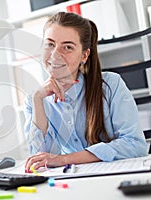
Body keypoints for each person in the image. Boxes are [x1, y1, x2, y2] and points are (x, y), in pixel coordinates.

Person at [24, 12, 149, 172]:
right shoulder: (35, 99)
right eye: (50, 44)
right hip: (74, 182)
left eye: (67, 47)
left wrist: (65, 159)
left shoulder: (111, 84)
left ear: (84, 55)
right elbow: (40, 159)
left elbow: (135, 145)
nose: (55, 55)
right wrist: (37, 100)